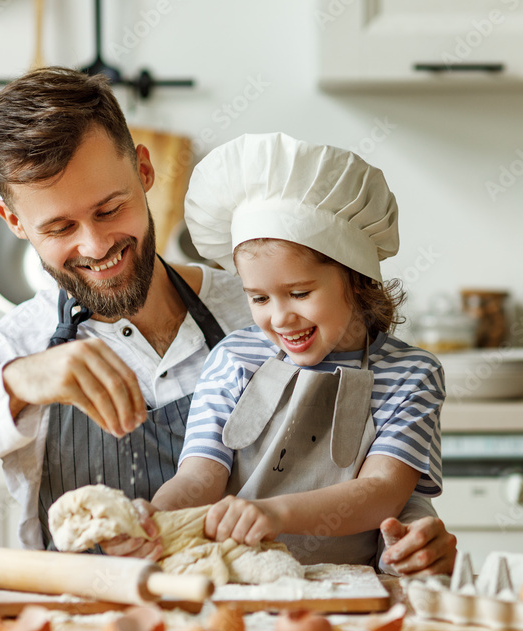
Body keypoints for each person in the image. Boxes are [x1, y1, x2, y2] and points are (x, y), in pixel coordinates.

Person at [0, 67, 456, 575]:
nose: (97, 244)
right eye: (59, 228)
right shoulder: (9, 349)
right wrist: (17, 387)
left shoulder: (257, 308)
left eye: (111, 208)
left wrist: (419, 536)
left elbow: (371, 467)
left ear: (146, 172)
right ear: (14, 223)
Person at [149, 133, 443, 570]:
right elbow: (200, 475)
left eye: (299, 292)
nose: (280, 318)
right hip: (242, 577)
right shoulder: (234, 359)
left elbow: (382, 491)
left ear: (356, 279)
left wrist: (275, 513)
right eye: (260, 298)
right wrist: (154, 521)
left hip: (356, 589)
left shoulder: (410, 375)